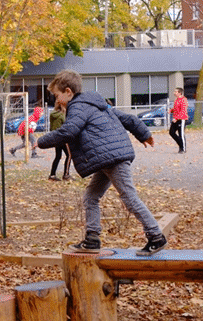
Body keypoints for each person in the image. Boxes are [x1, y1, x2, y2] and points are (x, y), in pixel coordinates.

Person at [37, 69, 167, 256]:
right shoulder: (95, 103)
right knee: (91, 197)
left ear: (68, 92)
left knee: (129, 198)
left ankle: (156, 236)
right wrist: (144, 134)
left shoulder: (78, 106)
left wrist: (40, 142)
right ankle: (92, 239)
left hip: (113, 158)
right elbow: (126, 119)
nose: (56, 101)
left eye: (57, 95)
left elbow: (68, 131)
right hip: (107, 158)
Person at [47, 101, 71, 181]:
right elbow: (66, 125)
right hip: (63, 138)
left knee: (58, 156)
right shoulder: (62, 115)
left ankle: (52, 175)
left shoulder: (52, 114)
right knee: (69, 155)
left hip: (55, 137)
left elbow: (51, 126)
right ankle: (66, 174)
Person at [169, 87, 188, 153]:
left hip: (181, 119)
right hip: (175, 119)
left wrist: (176, 118)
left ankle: (183, 149)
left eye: (175, 92)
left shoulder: (184, 100)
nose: (174, 93)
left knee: (181, 134)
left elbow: (183, 111)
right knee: (171, 132)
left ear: (179, 93)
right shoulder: (176, 100)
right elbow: (176, 109)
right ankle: (180, 144)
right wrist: (171, 110)